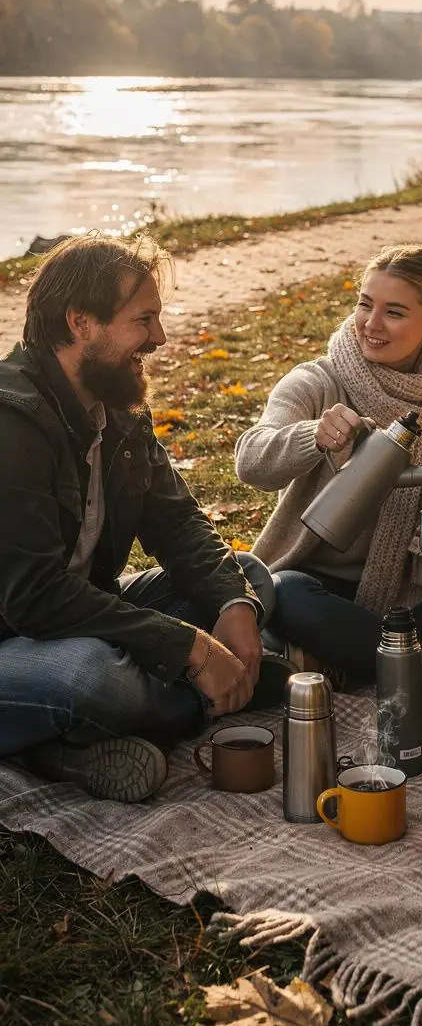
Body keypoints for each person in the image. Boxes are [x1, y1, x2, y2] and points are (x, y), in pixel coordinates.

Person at [0, 235, 290, 804]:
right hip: (19, 631)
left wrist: (231, 610)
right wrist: (191, 649)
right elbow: (33, 597)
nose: (158, 338)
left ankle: (70, 738)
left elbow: (177, 523)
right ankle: (75, 736)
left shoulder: (117, 404)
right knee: (89, 675)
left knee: (247, 578)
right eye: (144, 321)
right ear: (80, 322)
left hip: (75, 613)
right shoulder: (12, 424)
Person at [234, 244, 422, 685]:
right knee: (283, 594)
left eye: (394, 312)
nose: (371, 325)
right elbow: (250, 460)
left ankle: (344, 657)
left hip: (417, 587)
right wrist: (313, 435)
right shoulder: (318, 380)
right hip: (322, 583)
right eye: (364, 304)